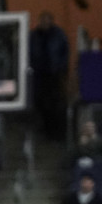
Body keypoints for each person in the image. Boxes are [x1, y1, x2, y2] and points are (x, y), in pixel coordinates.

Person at [29, 11, 68, 140]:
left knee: (55, 102)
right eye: (43, 20)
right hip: (39, 74)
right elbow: (29, 52)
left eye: (47, 20)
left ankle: (56, 131)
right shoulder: (34, 36)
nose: (45, 23)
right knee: (41, 102)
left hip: (54, 74)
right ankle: (45, 129)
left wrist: (61, 68)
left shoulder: (58, 34)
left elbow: (65, 52)